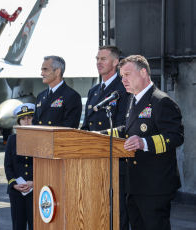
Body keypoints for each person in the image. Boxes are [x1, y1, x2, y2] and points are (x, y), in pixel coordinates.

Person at [110, 55, 183, 230]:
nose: (123, 80)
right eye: (121, 76)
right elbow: (128, 131)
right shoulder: (132, 100)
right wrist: (100, 135)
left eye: (127, 74)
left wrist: (144, 143)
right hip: (134, 184)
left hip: (155, 186)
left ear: (143, 72)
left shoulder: (161, 101)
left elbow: (175, 136)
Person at [81, 46, 130, 230]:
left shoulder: (123, 89)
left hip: (115, 162)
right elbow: (86, 126)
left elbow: (125, 126)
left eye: (103, 59)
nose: (98, 62)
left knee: (117, 214)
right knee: (96, 211)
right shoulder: (94, 91)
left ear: (116, 62)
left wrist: (98, 136)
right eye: (97, 58)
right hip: (93, 162)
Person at [4, 103, 34, 230]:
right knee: (18, 225)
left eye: (29, 117)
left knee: (35, 225)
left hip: (35, 189)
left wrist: (34, 182)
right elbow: (8, 165)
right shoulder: (12, 139)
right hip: (17, 190)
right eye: (23, 118)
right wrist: (14, 184)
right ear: (19, 121)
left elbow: (44, 164)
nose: (26, 121)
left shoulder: (41, 139)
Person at [32, 55, 82, 128]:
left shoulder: (72, 96)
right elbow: (35, 124)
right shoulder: (40, 96)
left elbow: (70, 128)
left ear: (57, 72)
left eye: (45, 70)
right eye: (42, 70)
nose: (42, 74)